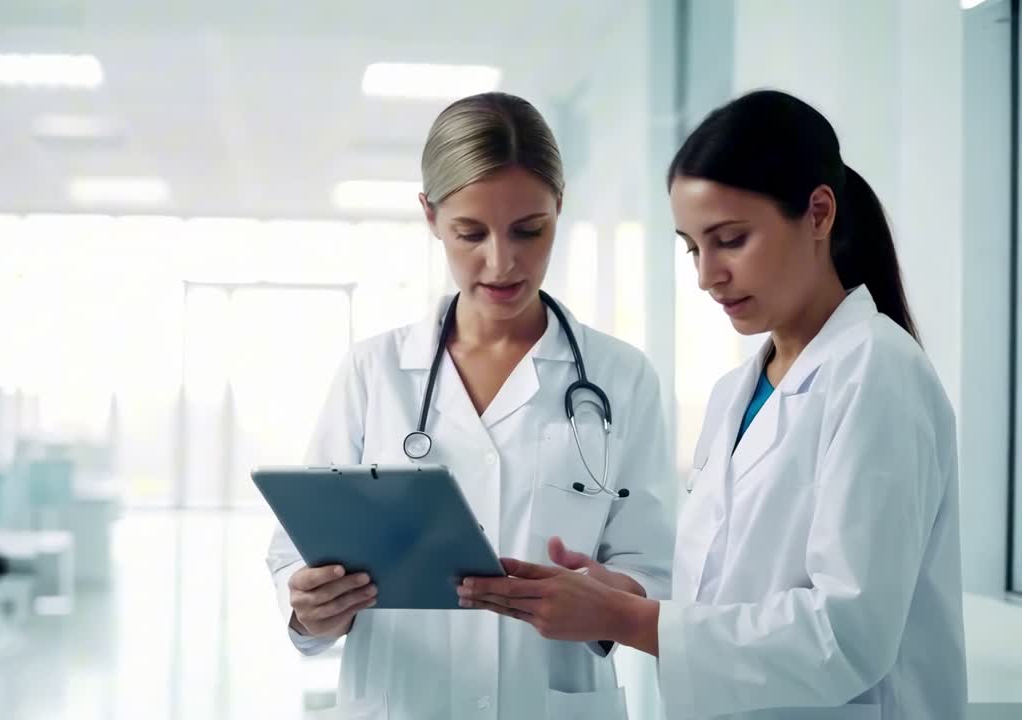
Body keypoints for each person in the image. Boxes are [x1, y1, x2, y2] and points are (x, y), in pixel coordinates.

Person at [458, 89, 967, 720]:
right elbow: (732, 600)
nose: (707, 275)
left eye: (730, 239)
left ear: (818, 212)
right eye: (693, 247)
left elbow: (848, 635)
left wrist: (631, 618)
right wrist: (629, 596)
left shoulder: (878, 371)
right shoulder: (737, 393)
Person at [265, 91, 675, 719]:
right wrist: (311, 607)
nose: (501, 261)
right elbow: (297, 550)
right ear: (429, 216)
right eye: (470, 232)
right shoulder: (374, 373)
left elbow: (654, 566)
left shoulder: (621, 378)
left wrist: (608, 599)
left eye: (528, 230)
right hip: (402, 700)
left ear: (559, 209)